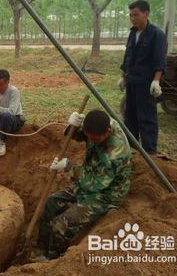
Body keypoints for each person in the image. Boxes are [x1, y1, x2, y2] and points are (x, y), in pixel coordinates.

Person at [36, 109, 132, 260]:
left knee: (61, 224)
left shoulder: (115, 153)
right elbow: (79, 134)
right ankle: (40, 247)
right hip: (89, 176)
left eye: (96, 139)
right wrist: (71, 127)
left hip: (106, 194)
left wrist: (69, 168)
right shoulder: (97, 125)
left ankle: (52, 258)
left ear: (107, 132)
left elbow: (95, 184)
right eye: (89, 137)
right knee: (51, 203)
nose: (92, 141)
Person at [118, 0, 166, 154]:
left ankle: (150, 152)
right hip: (132, 81)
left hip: (146, 83)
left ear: (146, 13)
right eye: (131, 15)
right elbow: (128, 56)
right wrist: (123, 76)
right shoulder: (133, 33)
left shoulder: (156, 34)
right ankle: (131, 149)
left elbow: (159, 59)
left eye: (136, 15)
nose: (133, 18)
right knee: (130, 117)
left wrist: (156, 80)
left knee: (146, 118)